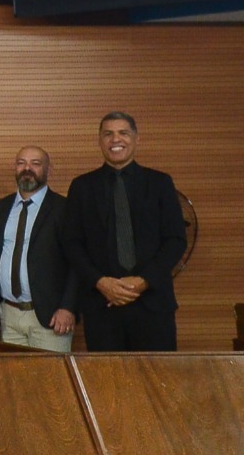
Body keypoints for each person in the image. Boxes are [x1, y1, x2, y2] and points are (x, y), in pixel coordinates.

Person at [62, 112, 185, 351]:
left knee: (157, 383)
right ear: (100, 141)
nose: (115, 139)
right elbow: (72, 244)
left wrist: (143, 281)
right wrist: (101, 282)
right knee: (106, 385)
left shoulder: (160, 183)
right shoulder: (82, 186)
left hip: (153, 305)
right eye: (108, 134)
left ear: (136, 139)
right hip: (102, 306)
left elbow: (176, 240)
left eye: (123, 133)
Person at [0, 145, 76, 352]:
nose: (27, 168)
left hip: (51, 316)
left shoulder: (65, 209)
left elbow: (76, 263)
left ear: (48, 169)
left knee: (50, 383)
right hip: (8, 314)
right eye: (21, 163)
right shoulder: (0, 208)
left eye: (35, 164)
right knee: (14, 382)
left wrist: (68, 307)